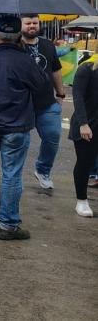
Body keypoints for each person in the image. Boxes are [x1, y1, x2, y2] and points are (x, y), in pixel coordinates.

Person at [0, 16, 45, 240]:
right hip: (16, 125)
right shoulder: (25, 60)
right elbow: (41, 86)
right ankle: (8, 225)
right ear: (19, 36)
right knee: (11, 174)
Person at [20, 14, 65, 190]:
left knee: (53, 137)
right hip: (21, 104)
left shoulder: (47, 45)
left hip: (46, 103)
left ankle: (43, 170)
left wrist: (60, 94)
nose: (32, 26)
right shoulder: (15, 45)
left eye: (35, 23)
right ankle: (14, 176)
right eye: (28, 23)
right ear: (21, 25)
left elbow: (56, 70)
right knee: (20, 143)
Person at [69, 52, 98, 217]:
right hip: (88, 124)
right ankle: (81, 201)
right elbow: (77, 96)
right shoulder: (86, 68)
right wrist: (83, 123)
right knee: (85, 163)